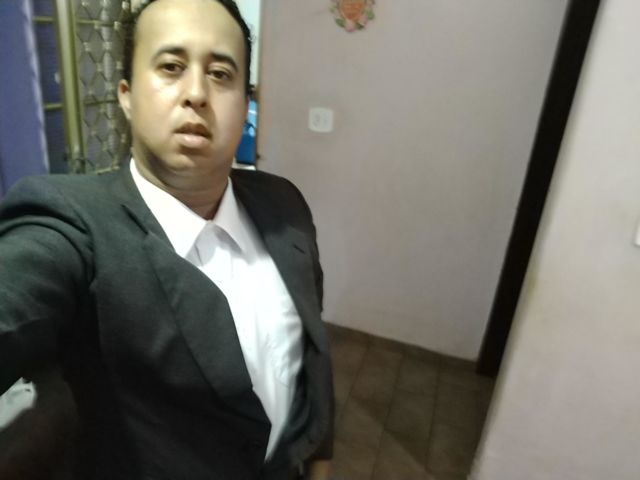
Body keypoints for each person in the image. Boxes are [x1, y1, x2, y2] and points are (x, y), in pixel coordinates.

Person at [0, 0, 334, 478]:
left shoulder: (284, 204)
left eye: (220, 74)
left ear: (245, 103)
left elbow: (311, 355)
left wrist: (320, 460)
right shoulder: (71, 223)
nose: (196, 93)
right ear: (127, 95)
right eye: (171, 67)